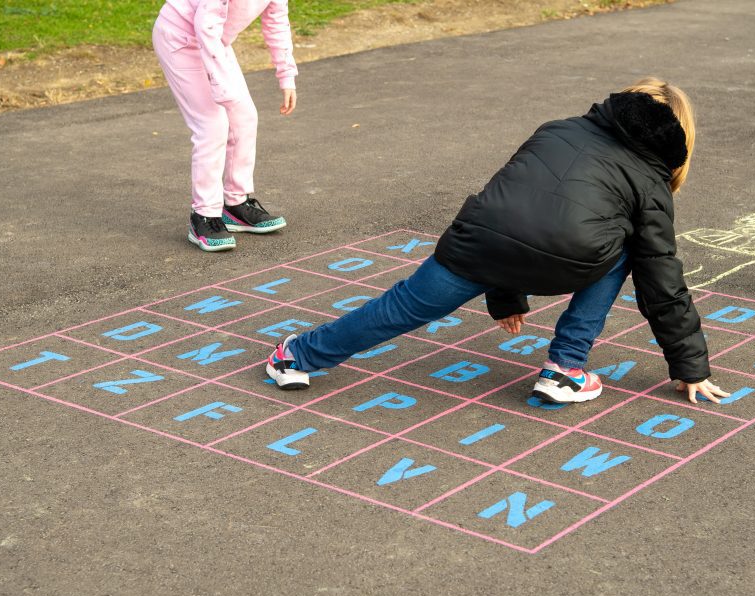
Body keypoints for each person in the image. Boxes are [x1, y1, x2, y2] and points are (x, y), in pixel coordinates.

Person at [265, 78, 728, 406]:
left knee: (401, 308)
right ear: (677, 135)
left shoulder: (558, 128)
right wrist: (690, 367)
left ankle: (296, 357)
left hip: (478, 245)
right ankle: (566, 369)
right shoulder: (651, 180)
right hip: (570, 262)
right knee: (628, 249)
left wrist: (505, 295)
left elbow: (507, 207)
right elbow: (661, 281)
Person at [153, 0, 298, 252]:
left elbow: (276, 22)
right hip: (180, 39)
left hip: (214, 42)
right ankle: (204, 215)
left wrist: (287, 76)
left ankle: (235, 204)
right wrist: (220, 85)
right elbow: (205, 25)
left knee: (244, 117)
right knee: (212, 125)